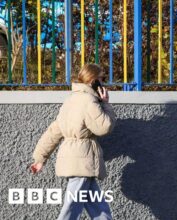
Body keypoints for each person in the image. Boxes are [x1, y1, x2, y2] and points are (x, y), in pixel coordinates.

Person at [29, 64, 117, 220]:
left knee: (100, 209)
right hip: (82, 162)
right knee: (71, 208)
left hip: (79, 161)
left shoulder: (69, 101)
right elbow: (105, 127)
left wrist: (40, 158)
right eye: (101, 79)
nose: (103, 83)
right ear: (93, 80)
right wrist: (106, 103)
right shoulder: (89, 101)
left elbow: (54, 132)